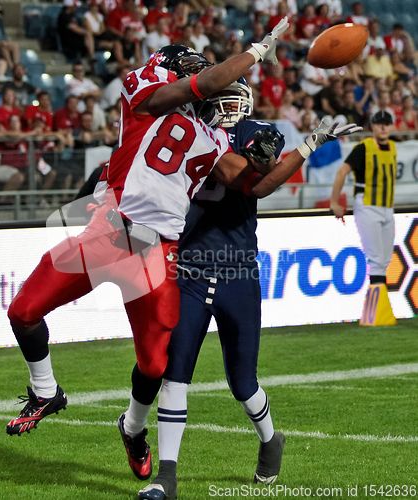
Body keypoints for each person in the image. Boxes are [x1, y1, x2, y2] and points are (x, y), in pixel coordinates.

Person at [4, 18, 291, 438]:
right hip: (112, 231)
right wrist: (257, 51)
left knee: (155, 364)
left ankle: (133, 428)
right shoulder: (143, 92)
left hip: (157, 253)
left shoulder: (211, 140)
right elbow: (205, 83)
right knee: (23, 311)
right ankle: (45, 391)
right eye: (186, 68)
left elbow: (255, 183)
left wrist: (294, 151)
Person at [138, 84, 362, 500]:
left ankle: (270, 439)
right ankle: (167, 477)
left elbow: (260, 184)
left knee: (243, 382)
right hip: (188, 268)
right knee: (176, 372)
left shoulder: (248, 130)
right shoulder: (189, 132)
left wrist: (307, 146)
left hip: (237, 270)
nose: (226, 107)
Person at [330, 110, 397, 326]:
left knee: (384, 260)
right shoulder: (364, 148)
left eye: (386, 124)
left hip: (387, 207)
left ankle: (375, 311)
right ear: (373, 127)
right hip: (367, 206)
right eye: (379, 124)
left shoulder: (394, 148)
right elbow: (342, 172)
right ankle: (374, 314)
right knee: (376, 259)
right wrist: (334, 202)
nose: (383, 128)